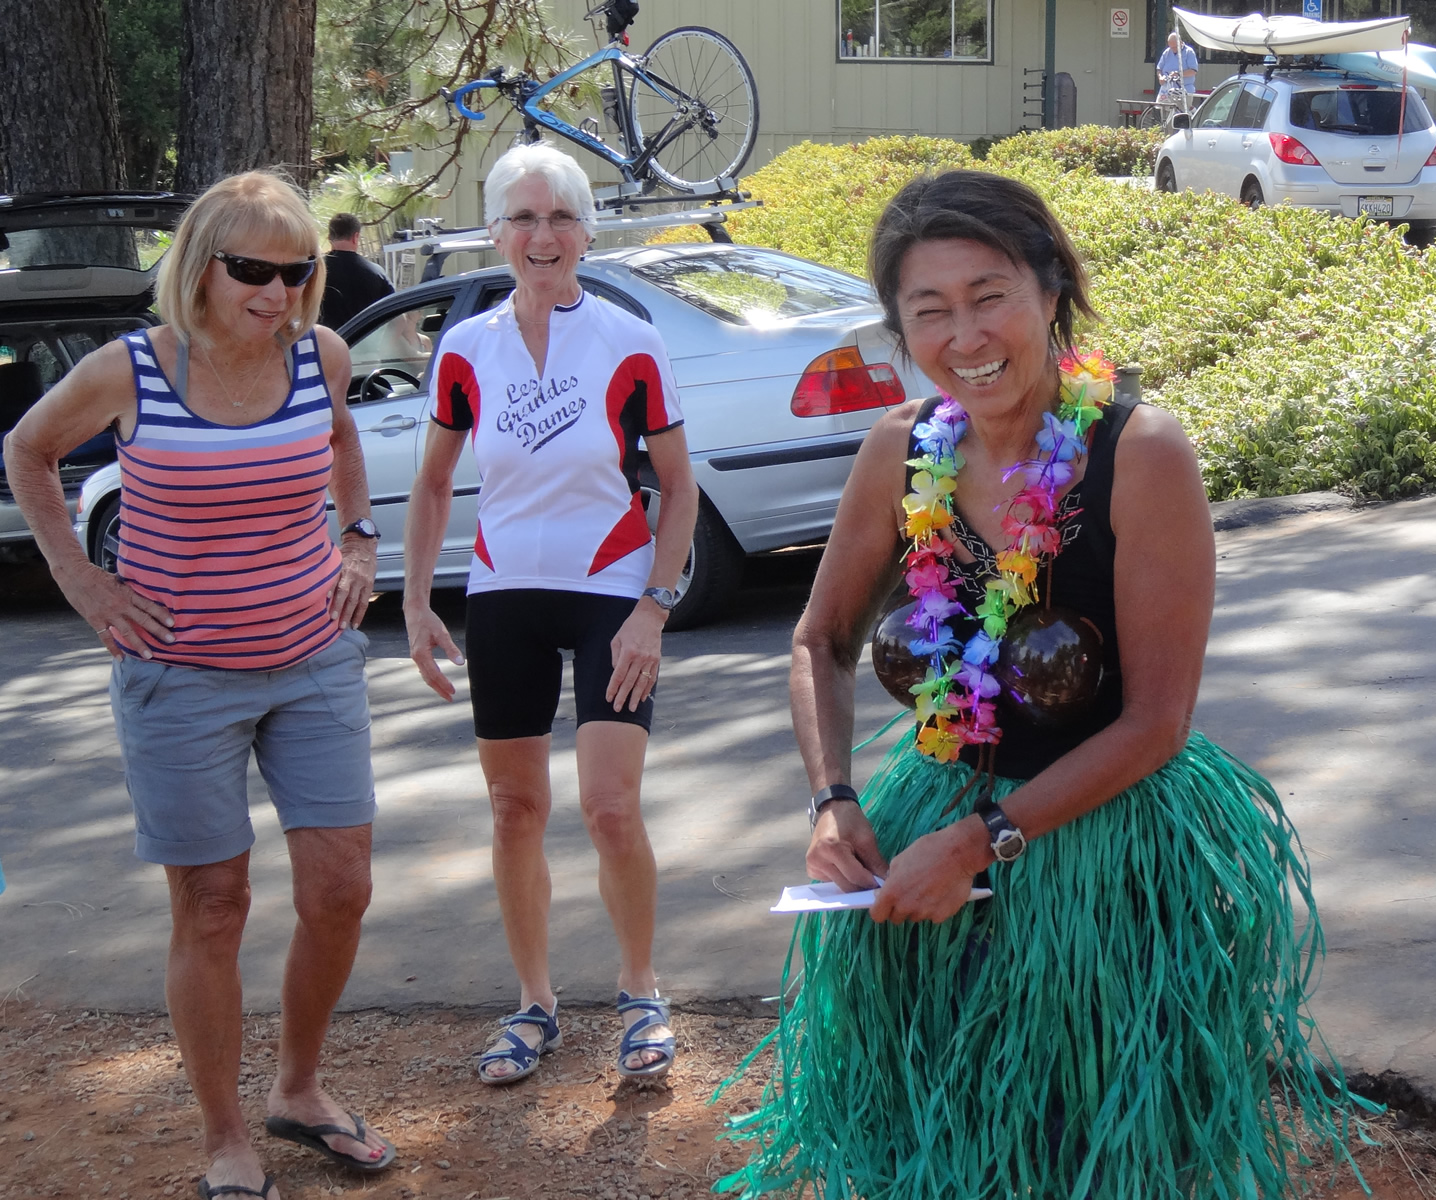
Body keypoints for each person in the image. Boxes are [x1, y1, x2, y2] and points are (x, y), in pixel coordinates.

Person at [716, 170, 1368, 1198]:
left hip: (1103, 852)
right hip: (933, 825)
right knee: (942, 1128)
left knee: (1088, 1142)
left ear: (1051, 289)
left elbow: (1157, 723)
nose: (965, 336)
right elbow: (820, 642)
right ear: (899, 328)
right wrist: (833, 800)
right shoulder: (899, 449)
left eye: (990, 297)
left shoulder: (1139, 454)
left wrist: (981, 841)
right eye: (929, 310)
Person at [3, 170, 395, 1200]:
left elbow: (341, 439)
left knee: (342, 889)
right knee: (214, 905)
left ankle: (298, 1090)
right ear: (201, 265)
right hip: (179, 677)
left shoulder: (320, 355)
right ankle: (226, 1136)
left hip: (312, 656)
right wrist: (83, 582)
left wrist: (359, 538)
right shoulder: (131, 369)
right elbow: (28, 451)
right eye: (253, 269)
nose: (277, 291)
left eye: (296, 271)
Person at [403, 143, 697, 1087]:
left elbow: (680, 488)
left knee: (610, 808)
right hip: (503, 592)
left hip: (611, 589)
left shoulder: (629, 339)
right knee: (513, 809)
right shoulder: (466, 347)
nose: (543, 235)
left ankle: (641, 991)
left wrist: (654, 607)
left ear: (586, 231)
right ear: (495, 232)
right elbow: (434, 483)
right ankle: (534, 1003)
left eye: (561, 216)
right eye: (524, 218)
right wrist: (416, 600)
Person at [319, 212, 393, 332]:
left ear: (329, 237)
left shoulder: (314, 271)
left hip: (323, 341)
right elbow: (395, 315)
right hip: (364, 340)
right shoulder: (376, 273)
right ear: (355, 237)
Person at [1158, 30, 1200, 95]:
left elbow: (1193, 71)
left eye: (1175, 47)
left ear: (1180, 42)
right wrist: (1160, 77)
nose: (1173, 50)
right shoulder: (1166, 52)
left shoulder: (1189, 52)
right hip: (1166, 90)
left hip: (1184, 89)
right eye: (1171, 47)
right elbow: (1159, 68)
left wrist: (1178, 74)